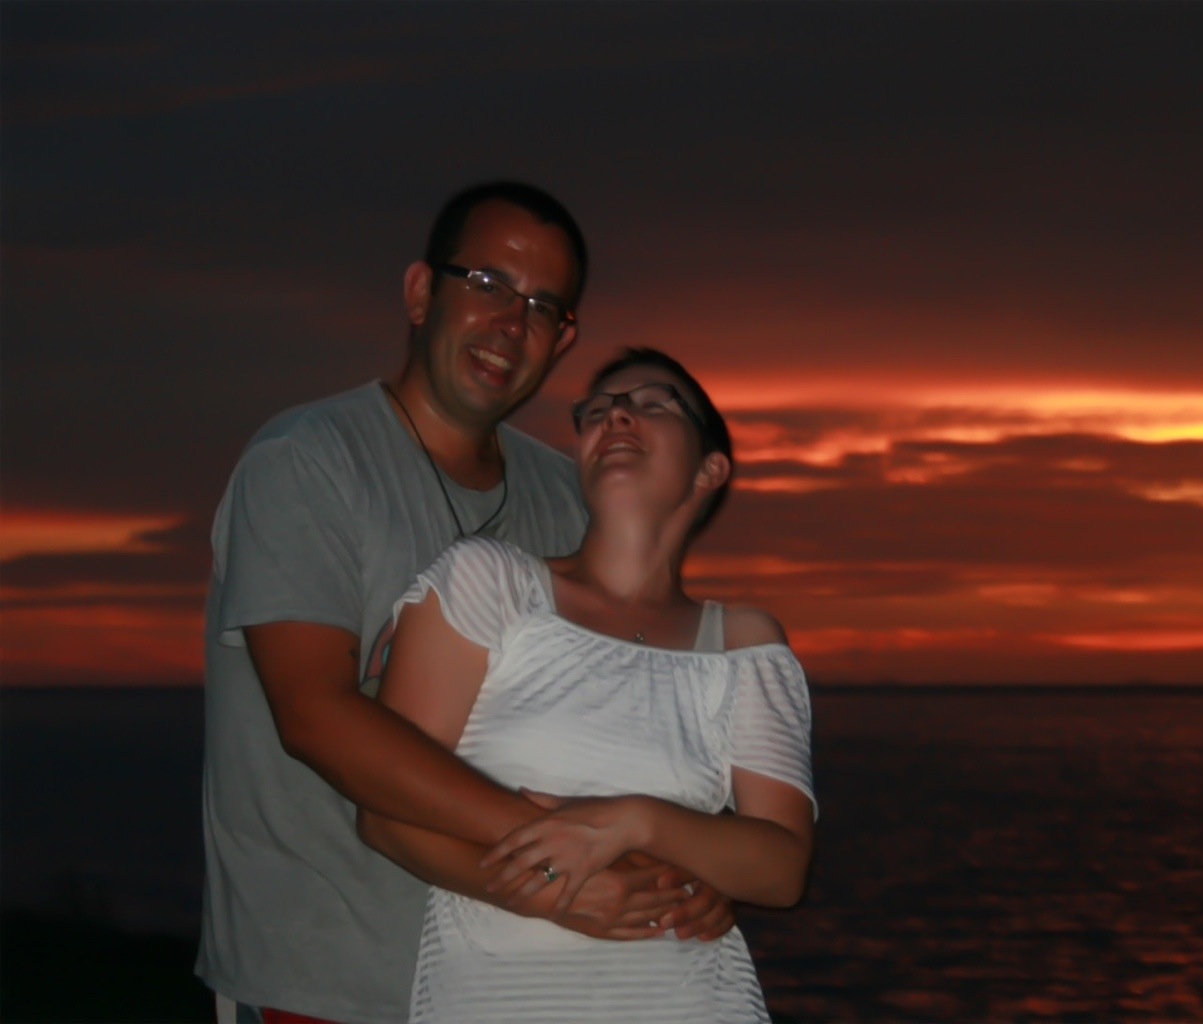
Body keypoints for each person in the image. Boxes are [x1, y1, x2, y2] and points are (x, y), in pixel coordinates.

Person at [198, 184, 731, 1024]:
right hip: (331, 981)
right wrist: (559, 861)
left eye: (543, 307)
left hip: (518, 986)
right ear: (420, 293)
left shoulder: (572, 497)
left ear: (563, 340)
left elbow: (637, 706)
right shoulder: (307, 462)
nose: (512, 323)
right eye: (487, 284)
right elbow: (314, 716)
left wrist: (698, 864)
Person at [358, 348, 816, 1023]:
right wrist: (556, 893)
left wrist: (634, 821)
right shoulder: (490, 583)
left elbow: (781, 868)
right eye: (597, 410)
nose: (617, 415)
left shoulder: (743, 644)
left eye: (653, 403)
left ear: (710, 469)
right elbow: (385, 813)